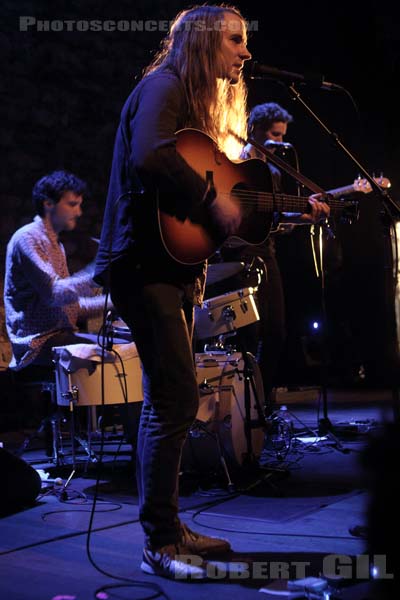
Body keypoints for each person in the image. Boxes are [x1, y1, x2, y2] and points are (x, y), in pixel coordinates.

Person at [94, 5, 328, 580]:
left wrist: (237, 212)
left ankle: (169, 528)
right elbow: (151, 155)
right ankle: (160, 542)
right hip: (140, 267)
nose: (245, 53)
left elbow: (201, 188)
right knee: (172, 398)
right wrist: (213, 202)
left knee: (170, 398)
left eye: (246, 42)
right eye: (234, 40)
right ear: (202, 42)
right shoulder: (165, 84)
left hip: (166, 269)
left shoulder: (195, 104)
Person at [220, 101, 329, 411]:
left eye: (282, 136)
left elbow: (278, 218)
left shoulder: (273, 173)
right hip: (236, 258)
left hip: (267, 256)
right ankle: (238, 409)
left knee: (277, 332)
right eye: (273, 134)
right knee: (248, 335)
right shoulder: (235, 162)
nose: (279, 142)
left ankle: (261, 405)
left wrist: (308, 217)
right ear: (254, 130)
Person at [4, 170, 107, 373]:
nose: (79, 212)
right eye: (72, 204)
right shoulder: (27, 238)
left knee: (123, 347)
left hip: (58, 335)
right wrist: (98, 271)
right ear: (48, 203)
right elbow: (54, 293)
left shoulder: (55, 245)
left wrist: (114, 302)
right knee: (106, 354)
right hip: (36, 343)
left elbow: (70, 306)